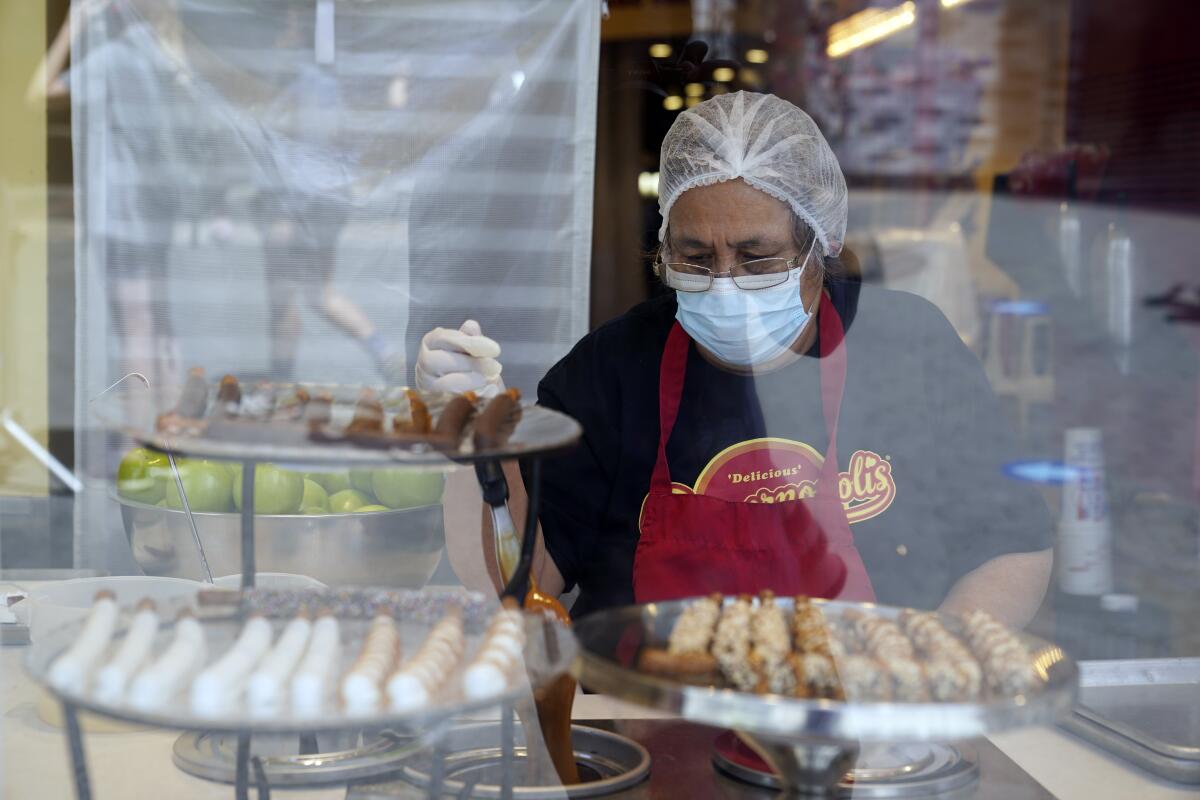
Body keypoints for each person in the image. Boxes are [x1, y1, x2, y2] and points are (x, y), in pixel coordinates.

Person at [425, 92, 1053, 627]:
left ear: (819, 247)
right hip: (653, 727)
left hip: (875, 729)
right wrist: (475, 444)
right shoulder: (613, 371)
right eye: (696, 258)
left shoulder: (907, 346)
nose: (724, 283)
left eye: (757, 258)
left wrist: (923, 685)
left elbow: (1012, 548)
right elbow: (518, 581)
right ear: (665, 248)